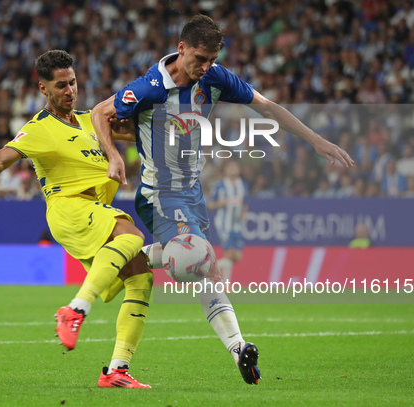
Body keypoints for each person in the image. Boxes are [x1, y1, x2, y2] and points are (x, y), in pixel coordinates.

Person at [91, 14, 355, 385]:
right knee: (191, 262)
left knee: (209, 273)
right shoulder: (150, 87)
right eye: (200, 58)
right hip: (160, 196)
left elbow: (267, 106)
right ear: (181, 49)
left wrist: (316, 140)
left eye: (212, 59)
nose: (206, 66)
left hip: (194, 194)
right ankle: (123, 259)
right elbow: (99, 113)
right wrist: (115, 156)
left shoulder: (214, 77)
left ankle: (238, 349)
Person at [0, 50, 154, 389]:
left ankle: (116, 370)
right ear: (43, 89)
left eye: (73, 83)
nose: (70, 91)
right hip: (69, 208)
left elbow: (143, 130)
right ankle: (75, 310)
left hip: (93, 211)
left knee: (141, 276)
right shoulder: (39, 129)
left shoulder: (90, 121)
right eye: (60, 86)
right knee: (131, 236)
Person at [207, 160, 248, 283]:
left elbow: (245, 202)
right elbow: (210, 204)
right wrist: (220, 203)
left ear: (239, 169)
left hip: (237, 225)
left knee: (237, 257)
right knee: (229, 253)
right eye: (230, 167)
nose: (232, 169)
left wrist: (244, 213)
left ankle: (210, 269)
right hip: (224, 224)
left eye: (235, 167)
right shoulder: (220, 186)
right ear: (225, 170)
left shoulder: (243, 185)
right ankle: (226, 283)